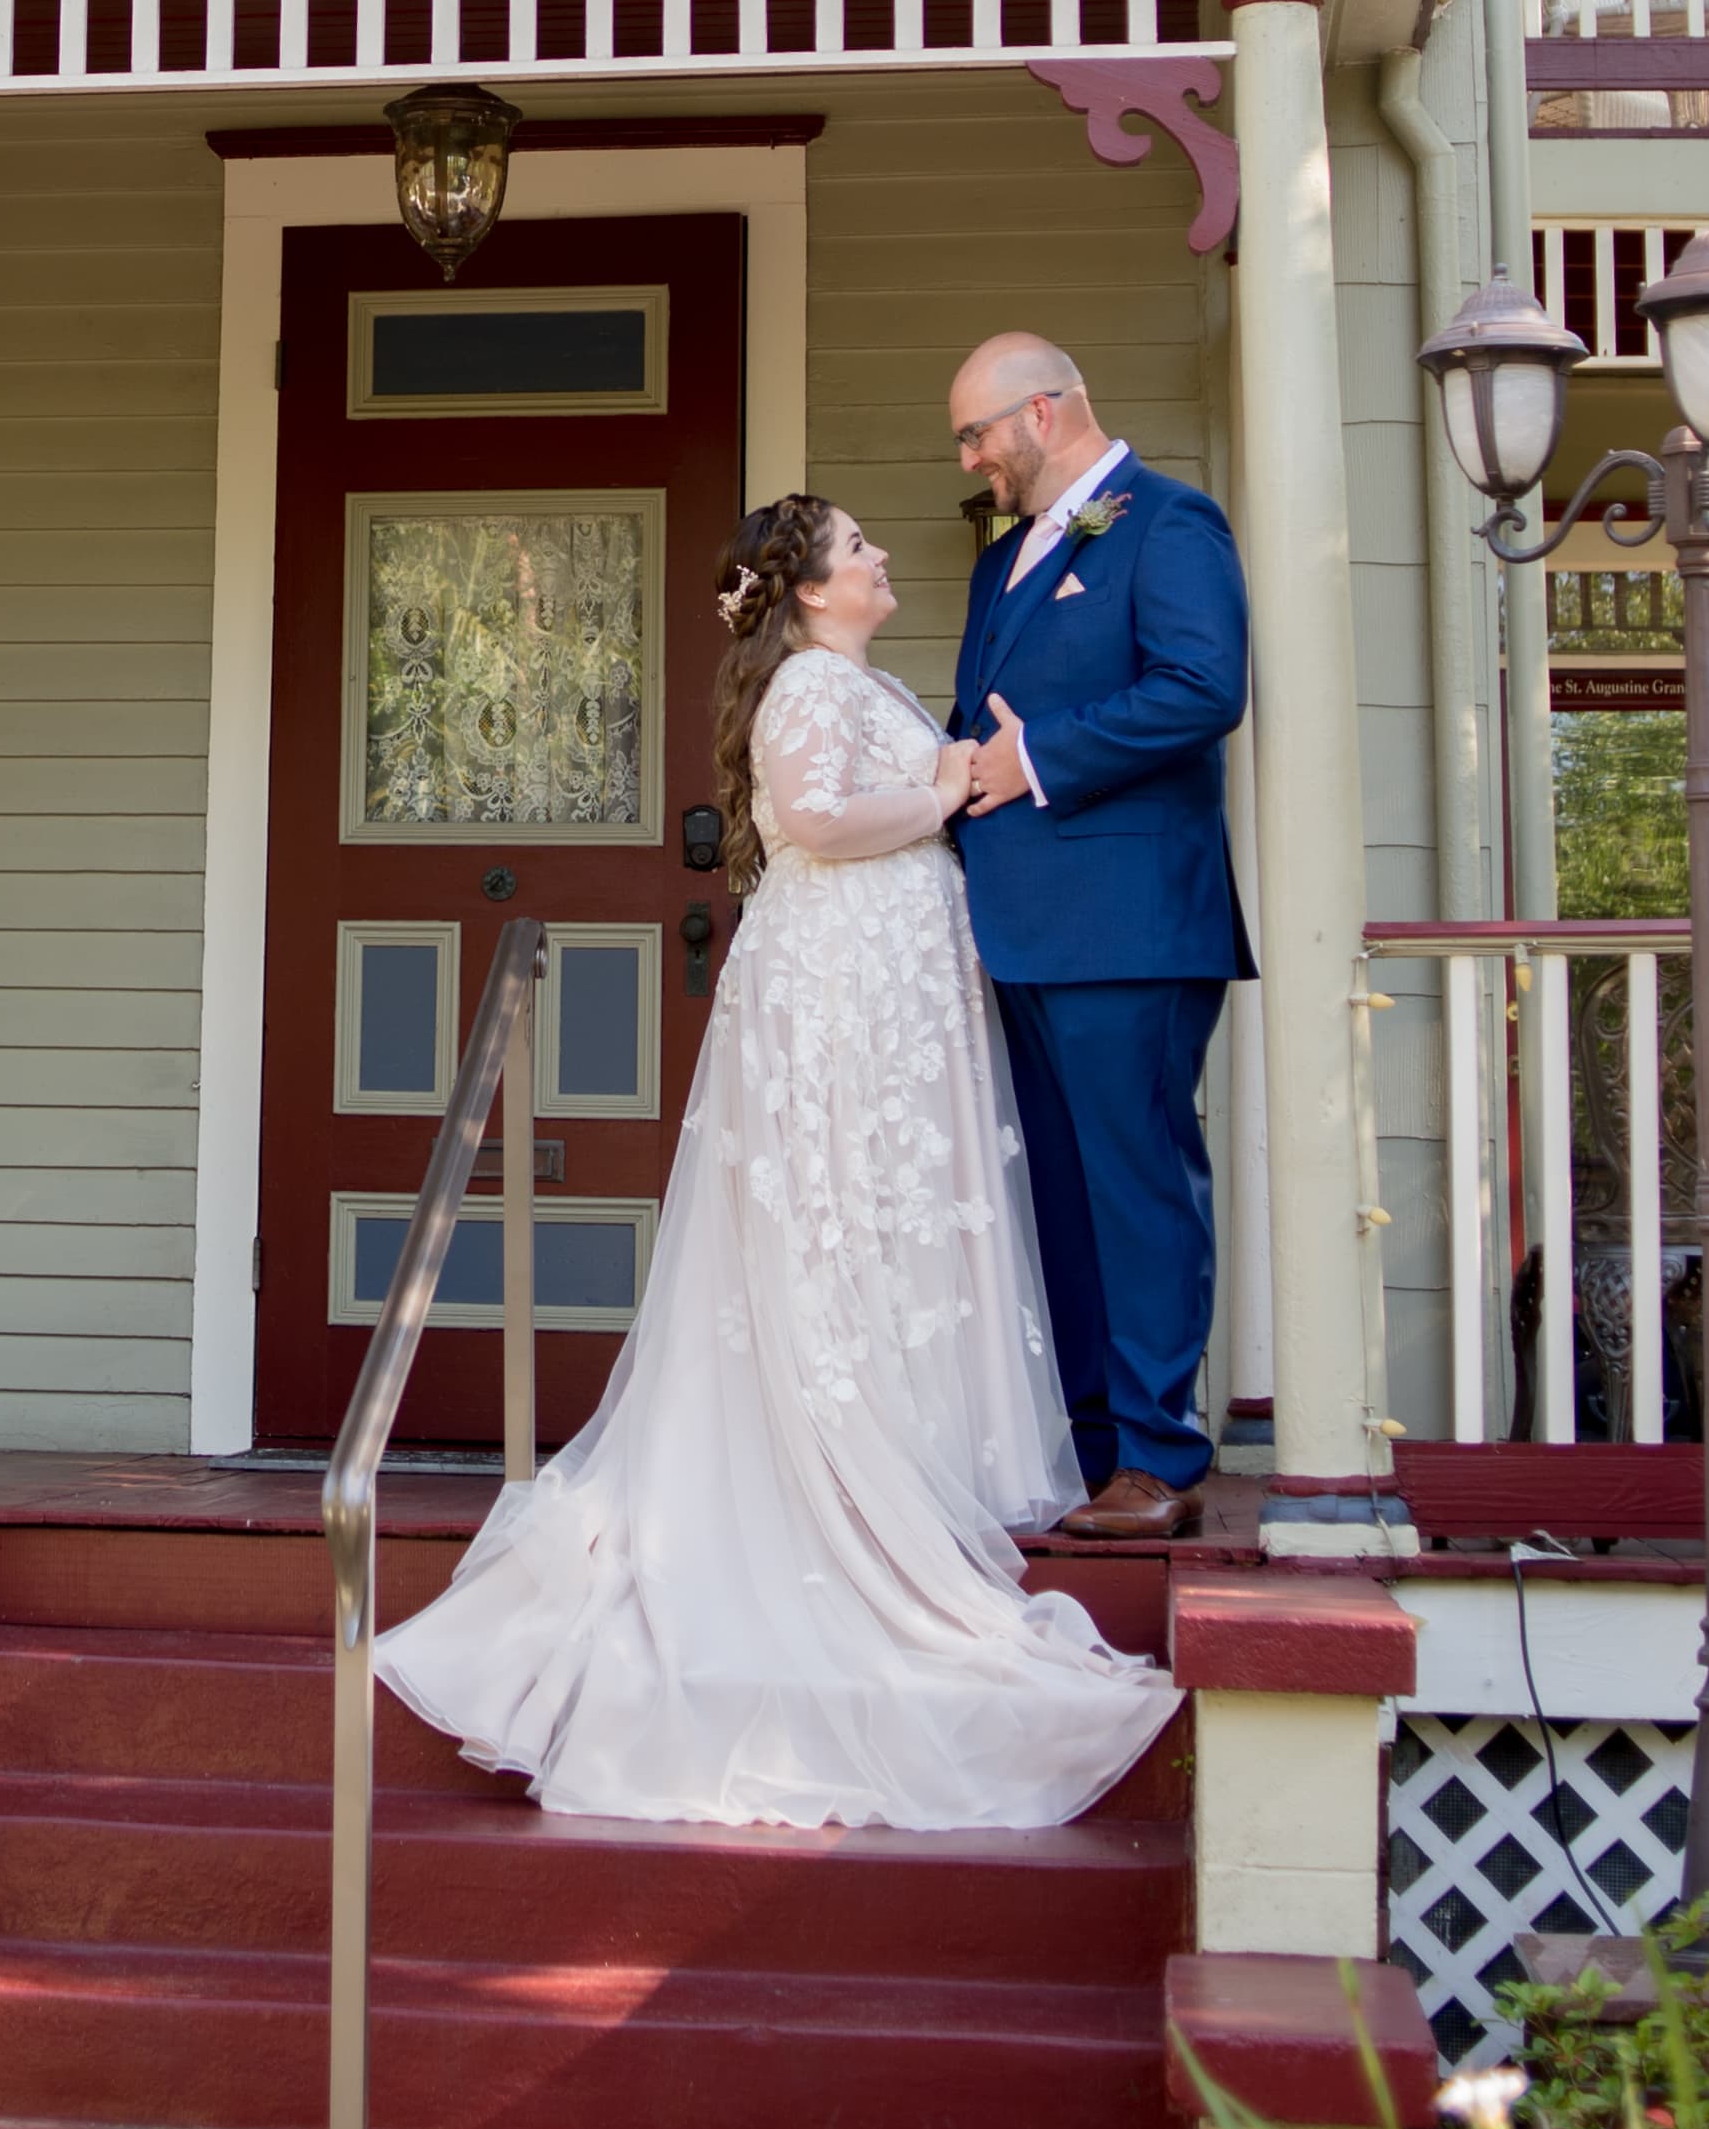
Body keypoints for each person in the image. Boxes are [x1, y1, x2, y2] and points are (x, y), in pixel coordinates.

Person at [375, 493, 1178, 1834]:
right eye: (857, 545)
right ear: (809, 591)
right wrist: (943, 784)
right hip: (838, 991)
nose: (878, 554)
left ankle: (904, 1455)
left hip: (885, 979)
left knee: (889, 1222)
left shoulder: (859, 676)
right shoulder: (810, 684)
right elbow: (809, 815)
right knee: (838, 1219)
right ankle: (847, 1476)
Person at [945, 334, 1252, 1548]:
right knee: (1057, 1199)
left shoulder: (1169, 522)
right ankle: (1081, 1443)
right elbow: (987, 718)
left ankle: (1160, 1454)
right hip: (1021, 929)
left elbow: (1199, 687)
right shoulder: (996, 562)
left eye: (977, 434)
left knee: (1135, 1187)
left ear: (1044, 409)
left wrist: (1036, 756)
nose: (969, 460)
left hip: (1130, 925)